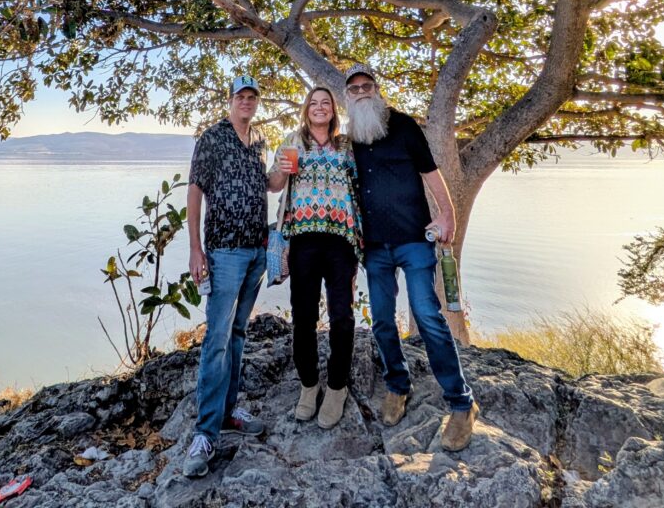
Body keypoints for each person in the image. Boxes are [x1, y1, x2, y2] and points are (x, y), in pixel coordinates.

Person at [344, 64, 479, 452]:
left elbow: (432, 175)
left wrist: (447, 215)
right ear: (347, 97)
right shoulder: (349, 139)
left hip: (414, 241)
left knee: (428, 317)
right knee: (383, 321)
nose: (361, 92)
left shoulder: (403, 126)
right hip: (374, 248)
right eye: (353, 89)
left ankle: (461, 402)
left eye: (367, 85)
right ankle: (397, 386)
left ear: (377, 89)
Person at [182, 74, 269, 479]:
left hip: (256, 251)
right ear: (230, 100)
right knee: (216, 339)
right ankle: (205, 433)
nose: (247, 102)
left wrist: (285, 174)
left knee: (237, 334)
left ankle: (230, 410)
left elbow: (266, 185)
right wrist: (195, 247)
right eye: (241, 97)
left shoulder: (260, 141)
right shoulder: (213, 138)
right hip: (224, 251)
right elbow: (195, 190)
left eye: (252, 97)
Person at [268, 86, 363, 429]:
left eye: (326, 103)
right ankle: (309, 387)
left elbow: (361, 184)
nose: (319, 108)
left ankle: (337, 387)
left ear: (333, 111)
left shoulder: (347, 145)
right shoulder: (293, 141)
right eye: (314, 103)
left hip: (341, 240)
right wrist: (281, 169)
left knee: (341, 316)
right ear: (306, 110)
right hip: (303, 240)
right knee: (303, 318)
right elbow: (275, 185)